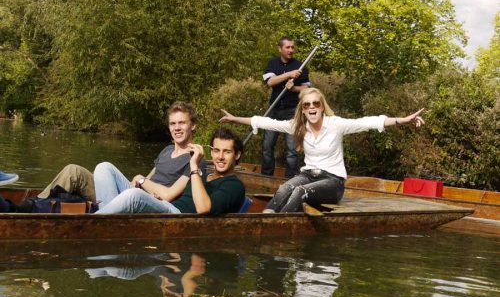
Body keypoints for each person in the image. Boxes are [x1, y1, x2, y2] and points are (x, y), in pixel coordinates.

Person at [220, 87, 425, 213]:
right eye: (307, 104)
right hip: (308, 176)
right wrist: (235, 118)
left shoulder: (336, 124)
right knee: (284, 188)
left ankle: (280, 222)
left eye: (315, 104)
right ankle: (267, 218)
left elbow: (368, 122)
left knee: (300, 191)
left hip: (332, 182)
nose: (311, 107)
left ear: (321, 106)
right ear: (303, 109)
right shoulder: (298, 126)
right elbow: (267, 122)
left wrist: (402, 120)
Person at [28, 102, 203, 206]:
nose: (177, 128)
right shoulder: (166, 151)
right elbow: (146, 180)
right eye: (173, 124)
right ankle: (35, 205)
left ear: (193, 125)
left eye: (182, 123)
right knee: (73, 171)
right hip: (132, 194)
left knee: (105, 167)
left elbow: (168, 195)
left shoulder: (195, 158)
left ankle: (105, 214)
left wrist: (142, 180)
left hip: (148, 204)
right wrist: (141, 181)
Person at [95, 128, 245, 214]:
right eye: (216, 150)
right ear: (211, 151)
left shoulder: (233, 185)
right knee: (104, 168)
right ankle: (105, 218)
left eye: (227, 152)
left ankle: (93, 221)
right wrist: (157, 199)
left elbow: (203, 208)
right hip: (167, 205)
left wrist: (194, 165)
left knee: (134, 195)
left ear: (237, 155)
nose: (220, 157)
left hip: (177, 216)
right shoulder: (204, 175)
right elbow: (177, 194)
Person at [262, 36, 312, 178]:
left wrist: (293, 88)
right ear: (280, 49)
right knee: (267, 146)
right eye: (288, 47)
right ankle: (266, 178)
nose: (291, 50)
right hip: (274, 109)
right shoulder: (273, 64)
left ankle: (290, 180)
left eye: (292, 47)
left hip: (292, 111)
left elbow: (306, 88)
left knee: (292, 150)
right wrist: (289, 74)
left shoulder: (301, 66)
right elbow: (270, 82)